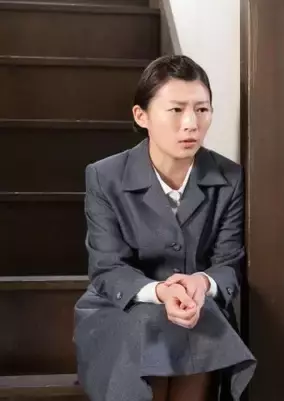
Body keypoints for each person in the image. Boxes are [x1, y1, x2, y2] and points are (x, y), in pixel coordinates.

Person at [73, 55, 256, 401]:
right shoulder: (104, 176)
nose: (191, 124)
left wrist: (201, 283)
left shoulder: (229, 177)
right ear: (141, 116)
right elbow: (107, 268)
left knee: (199, 323)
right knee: (148, 326)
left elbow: (229, 262)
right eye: (176, 110)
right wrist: (159, 292)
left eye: (202, 110)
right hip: (121, 308)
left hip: (197, 310)